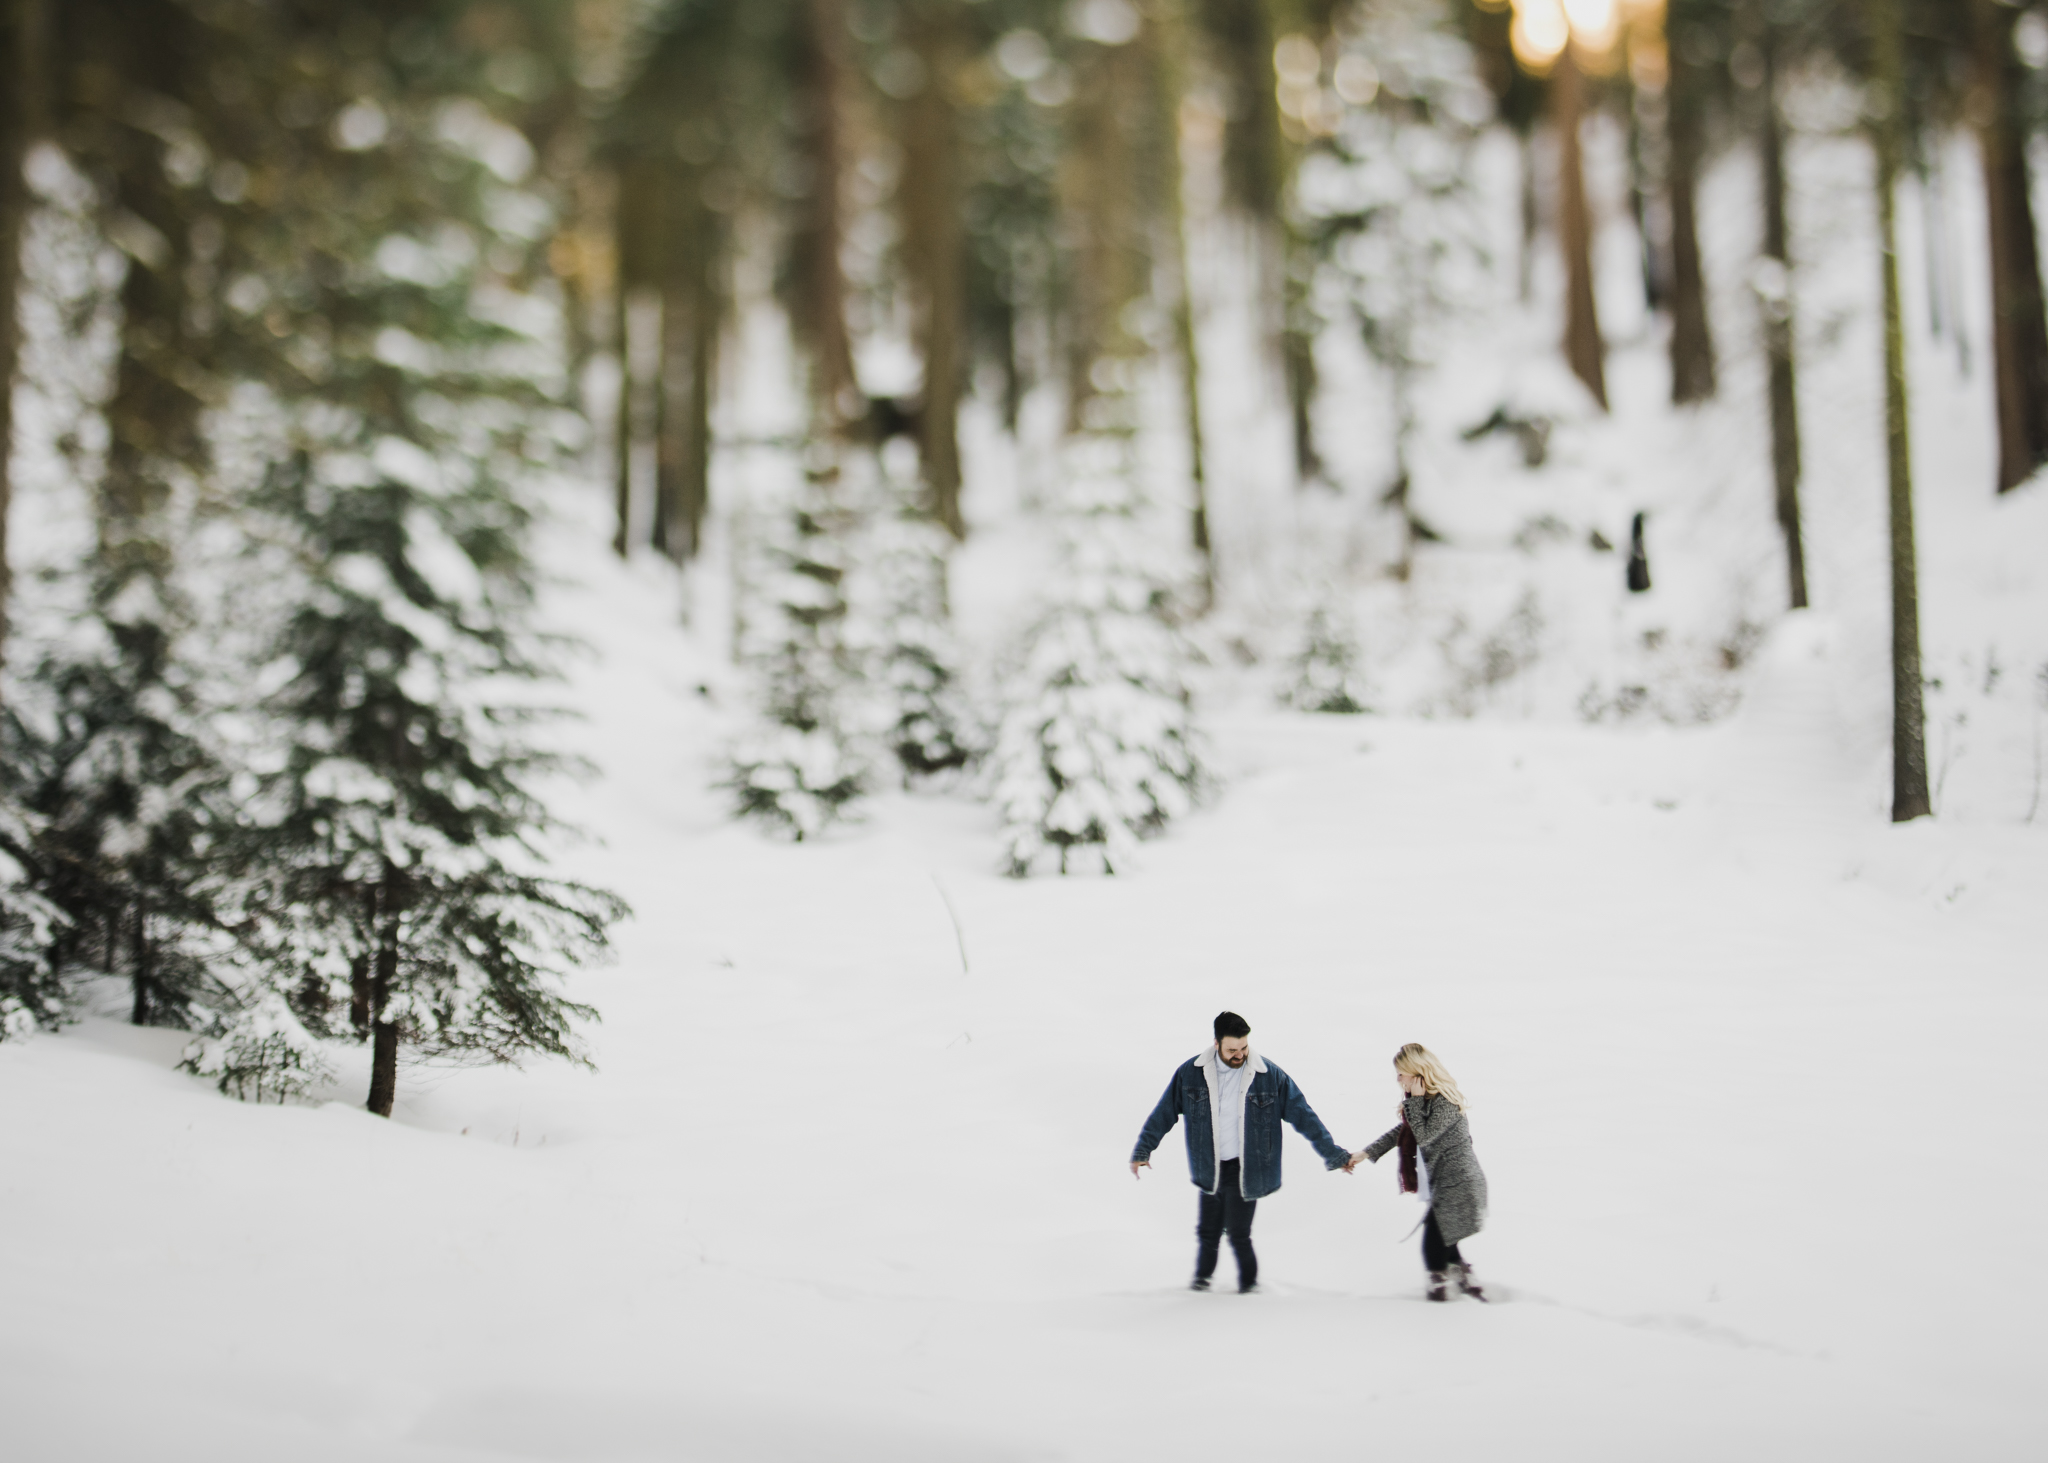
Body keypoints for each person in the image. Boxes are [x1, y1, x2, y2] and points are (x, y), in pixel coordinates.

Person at [1130, 1011, 1353, 1293]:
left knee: (1238, 1234)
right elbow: (1164, 1113)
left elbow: (1305, 1117)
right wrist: (1143, 1150)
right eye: (1232, 1049)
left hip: (1247, 1168)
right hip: (1209, 1167)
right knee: (1207, 1233)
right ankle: (1201, 1284)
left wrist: (1334, 1155)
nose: (1239, 1055)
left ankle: (1249, 1288)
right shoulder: (1190, 1074)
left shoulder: (1269, 1076)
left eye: (1244, 1047)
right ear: (1216, 1044)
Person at [1350, 1042, 1488, 1302]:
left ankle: (1439, 1301)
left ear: (1417, 1074)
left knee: (1433, 1248)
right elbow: (1402, 1133)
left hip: (1460, 1186)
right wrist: (1366, 1153)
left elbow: (1423, 1137)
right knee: (1446, 1241)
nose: (1398, 1079)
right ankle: (1468, 1285)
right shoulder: (1424, 1103)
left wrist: (1412, 1102)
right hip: (1446, 1186)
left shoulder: (1445, 1102)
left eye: (1401, 1074)